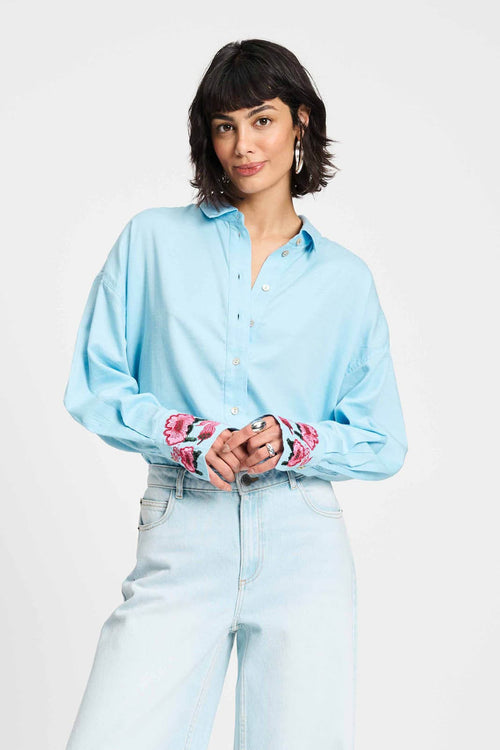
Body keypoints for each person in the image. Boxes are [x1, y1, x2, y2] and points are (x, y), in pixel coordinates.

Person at [63, 38, 408, 750]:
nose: (243, 145)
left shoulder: (345, 281)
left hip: (302, 540)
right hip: (183, 523)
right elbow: (96, 383)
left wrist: (294, 439)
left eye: (262, 120)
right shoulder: (152, 242)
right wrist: (188, 436)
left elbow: (382, 440)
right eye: (225, 126)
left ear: (301, 123)